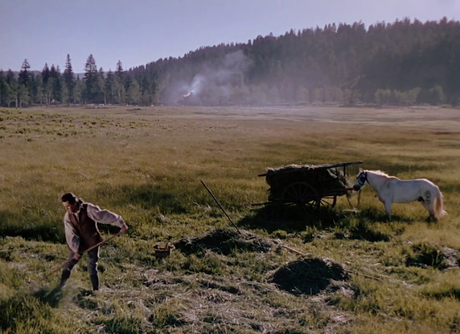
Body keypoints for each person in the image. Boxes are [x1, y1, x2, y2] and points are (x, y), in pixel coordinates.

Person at [59, 192, 128, 291]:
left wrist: (121, 224)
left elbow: (105, 216)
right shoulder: (68, 217)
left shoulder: (89, 209)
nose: (67, 209)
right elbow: (70, 234)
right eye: (65, 207)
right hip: (78, 243)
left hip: (92, 240)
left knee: (92, 265)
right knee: (68, 264)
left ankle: (96, 291)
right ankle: (60, 287)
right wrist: (76, 250)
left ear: (75, 202)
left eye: (69, 206)